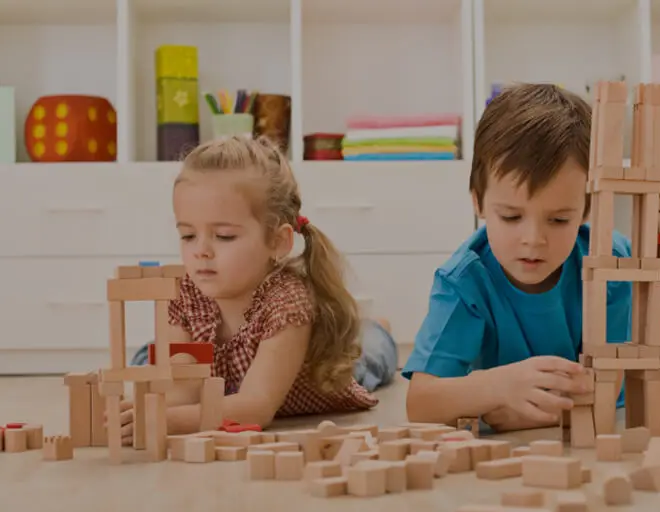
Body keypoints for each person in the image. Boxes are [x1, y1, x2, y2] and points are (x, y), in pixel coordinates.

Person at [118, 135, 397, 444]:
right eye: (187, 236)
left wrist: (167, 420)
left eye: (223, 236)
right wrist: (142, 410)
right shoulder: (187, 293)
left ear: (277, 242)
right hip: (225, 390)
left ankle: (377, 329)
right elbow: (183, 390)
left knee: (367, 356)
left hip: (320, 376)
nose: (201, 251)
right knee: (152, 360)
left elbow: (256, 407)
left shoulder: (287, 301)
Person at [402, 83, 631, 433]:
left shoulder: (611, 265)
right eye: (510, 216)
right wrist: (497, 388)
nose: (533, 240)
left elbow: (604, 393)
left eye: (558, 219)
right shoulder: (463, 282)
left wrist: (519, 413)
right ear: (478, 202)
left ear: (586, 210)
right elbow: (421, 403)